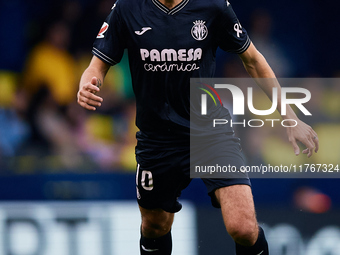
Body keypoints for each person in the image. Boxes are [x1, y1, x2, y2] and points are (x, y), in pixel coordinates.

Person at [77, 0, 319, 254]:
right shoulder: (128, 8)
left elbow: (253, 61)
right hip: (158, 139)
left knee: (244, 229)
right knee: (154, 227)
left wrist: (290, 118)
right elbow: (97, 65)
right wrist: (88, 84)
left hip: (211, 134)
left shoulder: (213, 6)